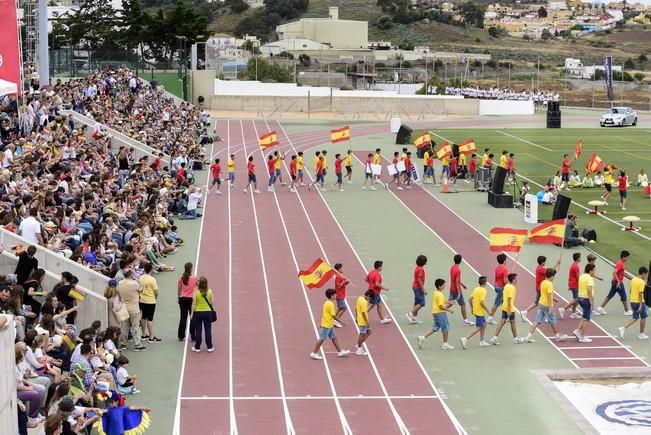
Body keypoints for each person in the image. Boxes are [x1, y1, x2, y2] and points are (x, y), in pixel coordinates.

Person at [525, 268, 567, 343]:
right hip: (547, 305)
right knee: (552, 321)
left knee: (536, 321)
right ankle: (557, 336)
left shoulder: (543, 282)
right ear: (551, 276)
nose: (554, 277)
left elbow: (545, 294)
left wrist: (553, 298)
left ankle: (528, 336)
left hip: (541, 304)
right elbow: (548, 296)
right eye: (554, 276)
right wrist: (550, 307)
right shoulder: (550, 284)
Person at [310, 288, 350, 360]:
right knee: (322, 339)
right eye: (335, 294)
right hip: (327, 324)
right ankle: (314, 353)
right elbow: (333, 316)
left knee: (334, 338)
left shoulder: (327, 302)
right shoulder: (330, 304)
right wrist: (341, 322)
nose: (336, 295)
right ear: (331, 296)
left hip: (329, 323)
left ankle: (339, 352)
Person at [417, 278, 455, 350]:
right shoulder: (440, 295)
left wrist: (449, 302)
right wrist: (449, 310)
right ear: (439, 286)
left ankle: (422, 338)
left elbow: (442, 301)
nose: (444, 286)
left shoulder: (436, 292)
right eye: (443, 285)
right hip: (440, 313)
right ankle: (445, 344)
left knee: (435, 328)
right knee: (445, 328)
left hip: (435, 313)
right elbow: (441, 306)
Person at [521, 254, 561, 322]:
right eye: (544, 261)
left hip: (541, 287)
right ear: (542, 262)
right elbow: (551, 272)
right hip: (541, 288)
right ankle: (525, 312)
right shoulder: (541, 269)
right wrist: (557, 263)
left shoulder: (539, 268)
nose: (545, 263)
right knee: (542, 302)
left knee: (539, 302)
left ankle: (526, 312)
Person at [490, 273, 524, 345]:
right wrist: (509, 310)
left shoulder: (506, 286)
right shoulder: (512, 288)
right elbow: (509, 299)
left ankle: (494, 338)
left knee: (502, 321)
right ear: (513, 280)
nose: (517, 280)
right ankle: (516, 339)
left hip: (504, 306)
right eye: (516, 278)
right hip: (509, 308)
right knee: (513, 322)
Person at [596, 250, 632, 316]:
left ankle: (601, 307)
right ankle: (626, 311)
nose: (627, 259)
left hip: (614, 282)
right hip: (618, 283)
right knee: (623, 296)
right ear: (624, 257)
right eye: (627, 257)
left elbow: (621, 273)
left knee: (610, 295)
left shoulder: (621, 263)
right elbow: (614, 272)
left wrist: (629, 278)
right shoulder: (620, 264)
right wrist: (618, 281)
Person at [117, 270, 146, 352]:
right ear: (130, 275)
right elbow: (141, 290)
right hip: (134, 308)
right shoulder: (134, 283)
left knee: (124, 327)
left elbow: (118, 294)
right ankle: (137, 344)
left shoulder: (120, 283)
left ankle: (123, 344)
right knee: (135, 326)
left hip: (124, 308)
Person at [460, 276, 491, 349]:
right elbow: (482, 302)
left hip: (476, 311)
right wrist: (488, 311)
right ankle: (465, 339)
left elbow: (470, 299)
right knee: (479, 327)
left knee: (484, 324)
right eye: (486, 281)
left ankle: (482, 341)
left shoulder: (476, 289)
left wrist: (472, 308)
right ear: (484, 283)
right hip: (479, 312)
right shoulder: (484, 291)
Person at [618, 267, 648, 340]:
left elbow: (631, 290)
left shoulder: (633, 279)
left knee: (635, 317)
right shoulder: (642, 282)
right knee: (643, 317)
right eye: (646, 274)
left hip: (632, 301)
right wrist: (641, 305)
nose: (646, 276)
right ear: (643, 273)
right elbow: (640, 294)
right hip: (639, 302)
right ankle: (641, 334)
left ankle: (623, 328)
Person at [572, 263, 597, 343]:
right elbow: (589, 291)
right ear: (590, 270)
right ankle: (583, 337)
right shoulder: (590, 279)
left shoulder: (582, 276)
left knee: (584, 316)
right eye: (594, 270)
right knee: (587, 319)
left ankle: (578, 331)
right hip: (586, 299)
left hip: (580, 298)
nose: (595, 272)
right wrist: (591, 303)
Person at [139, 263, 161, 343]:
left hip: (142, 300)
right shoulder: (152, 279)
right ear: (151, 269)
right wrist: (155, 298)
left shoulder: (141, 278)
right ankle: (151, 337)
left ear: (144, 269)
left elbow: (140, 288)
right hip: (150, 301)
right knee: (150, 319)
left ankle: (144, 334)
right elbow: (156, 291)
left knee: (143, 316)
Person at [191, 276, 214, 352]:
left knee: (198, 331)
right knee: (208, 330)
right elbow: (211, 303)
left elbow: (194, 304)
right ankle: (209, 347)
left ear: (200, 284)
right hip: (208, 313)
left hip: (198, 313)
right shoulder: (210, 291)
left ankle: (197, 347)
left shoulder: (196, 292)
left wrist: (192, 314)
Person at [449, 254, 472, 325]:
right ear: (461, 261)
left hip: (451, 288)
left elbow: (455, 280)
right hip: (456, 290)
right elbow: (456, 282)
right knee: (463, 304)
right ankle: (466, 320)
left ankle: (438, 310)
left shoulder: (452, 268)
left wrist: (463, 285)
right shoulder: (458, 270)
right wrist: (459, 293)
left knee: (450, 303)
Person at [177, 262, 197, 341]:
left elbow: (179, 289)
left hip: (182, 299)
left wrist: (178, 298)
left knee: (183, 317)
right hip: (191, 299)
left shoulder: (181, 278)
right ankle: (193, 336)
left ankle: (181, 336)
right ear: (191, 268)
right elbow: (198, 286)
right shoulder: (194, 278)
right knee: (192, 317)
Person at [559, 252, 582, 320]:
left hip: (573, 284)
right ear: (578, 258)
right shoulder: (576, 266)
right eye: (580, 257)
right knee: (577, 299)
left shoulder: (574, 265)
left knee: (576, 299)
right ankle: (563, 309)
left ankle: (573, 313)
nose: (581, 258)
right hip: (574, 284)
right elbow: (577, 277)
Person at [487, 253, 508, 325]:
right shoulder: (505, 269)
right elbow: (505, 281)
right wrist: (509, 283)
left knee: (503, 301)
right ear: (504, 261)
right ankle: (490, 317)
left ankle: (506, 315)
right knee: (497, 303)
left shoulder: (497, 268)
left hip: (496, 286)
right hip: (501, 288)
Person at [407, 255, 427, 324]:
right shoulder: (421, 269)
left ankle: (414, 318)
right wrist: (423, 289)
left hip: (415, 287)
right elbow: (419, 279)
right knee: (422, 303)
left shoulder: (417, 268)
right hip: (418, 288)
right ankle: (410, 314)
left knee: (416, 302)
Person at [355, 290, 374, 356]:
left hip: (360, 319)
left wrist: (356, 317)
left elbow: (356, 309)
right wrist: (367, 322)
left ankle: (359, 344)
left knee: (369, 332)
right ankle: (359, 348)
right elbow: (363, 313)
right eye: (370, 298)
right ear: (368, 296)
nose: (369, 300)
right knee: (362, 334)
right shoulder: (364, 301)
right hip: (363, 321)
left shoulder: (359, 298)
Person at [333, 263, 350, 328]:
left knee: (340, 308)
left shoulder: (341, 275)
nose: (343, 269)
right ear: (339, 269)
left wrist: (347, 282)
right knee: (344, 308)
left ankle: (334, 319)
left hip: (341, 294)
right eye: (342, 268)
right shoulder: (338, 276)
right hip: (339, 295)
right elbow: (338, 286)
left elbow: (343, 285)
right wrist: (344, 281)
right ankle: (336, 321)